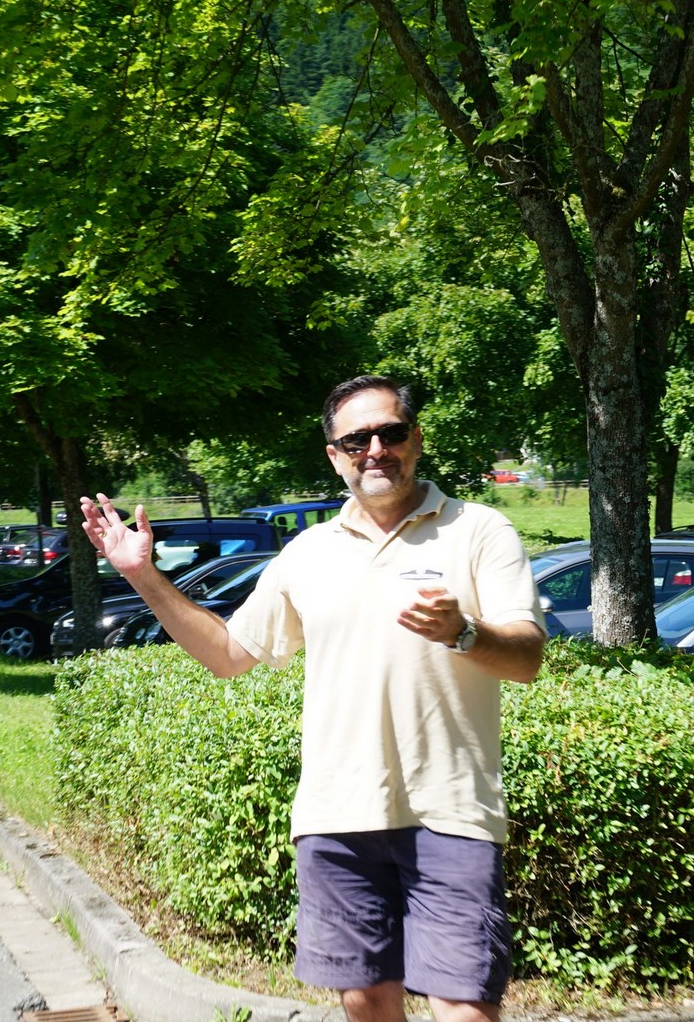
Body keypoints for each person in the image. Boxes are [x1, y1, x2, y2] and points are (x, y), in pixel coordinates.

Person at [79, 375, 546, 1022]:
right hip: (338, 814)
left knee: (465, 1006)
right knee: (365, 1001)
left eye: (391, 433)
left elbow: (526, 658)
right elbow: (227, 653)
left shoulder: (479, 531)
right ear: (334, 455)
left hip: (451, 811)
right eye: (356, 440)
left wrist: (462, 632)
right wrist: (141, 574)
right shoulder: (309, 552)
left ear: (416, 439)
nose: (375, 449)